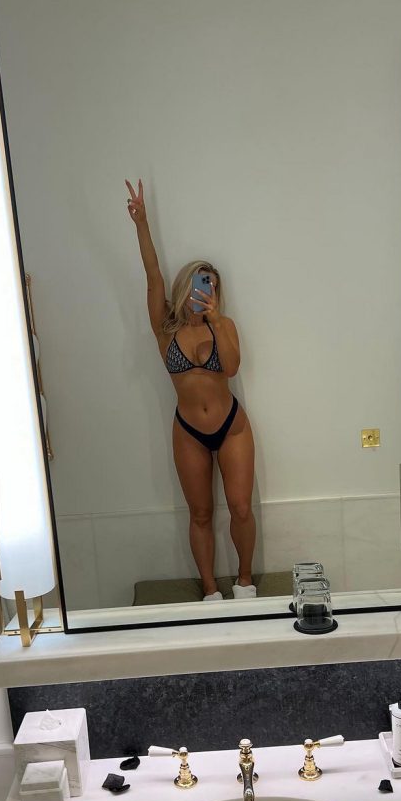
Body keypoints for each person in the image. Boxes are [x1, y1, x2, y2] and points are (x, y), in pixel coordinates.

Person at [125, 178, 256, 600]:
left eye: (212, 285)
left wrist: (215, 320)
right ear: (186, 286)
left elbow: (231, 367)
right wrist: (142, 224)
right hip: (189, 431)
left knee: (240, 508)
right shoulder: (165, 328)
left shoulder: (225, 325)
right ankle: (210, 590)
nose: (207, 290)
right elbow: (152, 276)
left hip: (232, 426)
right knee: (200, 513)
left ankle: (246, 582)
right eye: (201, 283)